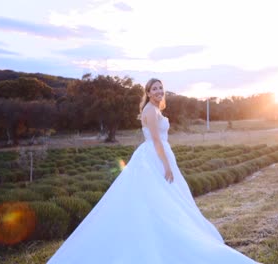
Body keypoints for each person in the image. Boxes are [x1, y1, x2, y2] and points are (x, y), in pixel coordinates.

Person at [47, 78, 261, 263]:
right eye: (154, 88)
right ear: (148, 93)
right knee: (156, 197)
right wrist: (167, 165)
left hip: (160, 155)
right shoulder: (149, 110)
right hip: (154, 157)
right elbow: (156, 140)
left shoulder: (156, 109)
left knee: (167, 198)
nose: (159, 91)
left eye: (161, 88)